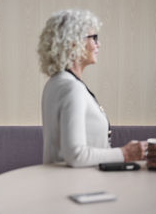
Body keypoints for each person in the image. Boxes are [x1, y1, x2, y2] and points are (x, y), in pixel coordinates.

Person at [37, 9, 147, 167]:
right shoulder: (71, 88)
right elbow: (76, 155)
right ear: (73, 42)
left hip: (64, 182)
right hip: (78, 186)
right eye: (94, 38)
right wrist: (125, 153)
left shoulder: (55, 83)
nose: (98, 44)